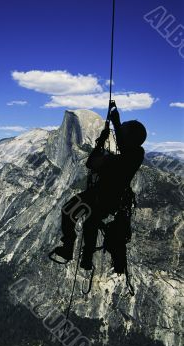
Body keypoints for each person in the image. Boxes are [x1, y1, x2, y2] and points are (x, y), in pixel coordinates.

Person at [52, 105, 147, 270]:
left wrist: (116, 124)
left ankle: (73, 249)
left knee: (76, 213)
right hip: (104, 198)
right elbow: (92, 163)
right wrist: (102, 141)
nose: (118, 136)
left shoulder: (135, 154)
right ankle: (81, 255)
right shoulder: (125, 157)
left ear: (130, 137)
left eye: (123, 132)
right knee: (88, 220)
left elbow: (111, 156)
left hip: (105, 197)